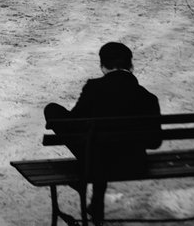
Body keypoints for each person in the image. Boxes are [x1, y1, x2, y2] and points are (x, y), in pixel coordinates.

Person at [44, 41, 161, 224]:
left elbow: (74, 125)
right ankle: (96, 202)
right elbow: (154, 142)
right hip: (134, 164)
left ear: (102, 66)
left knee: (53, 110)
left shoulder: (94, 88)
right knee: (102, 145)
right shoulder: (148, 97)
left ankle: (88, 177)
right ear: (131, 66)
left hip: (95, 165)